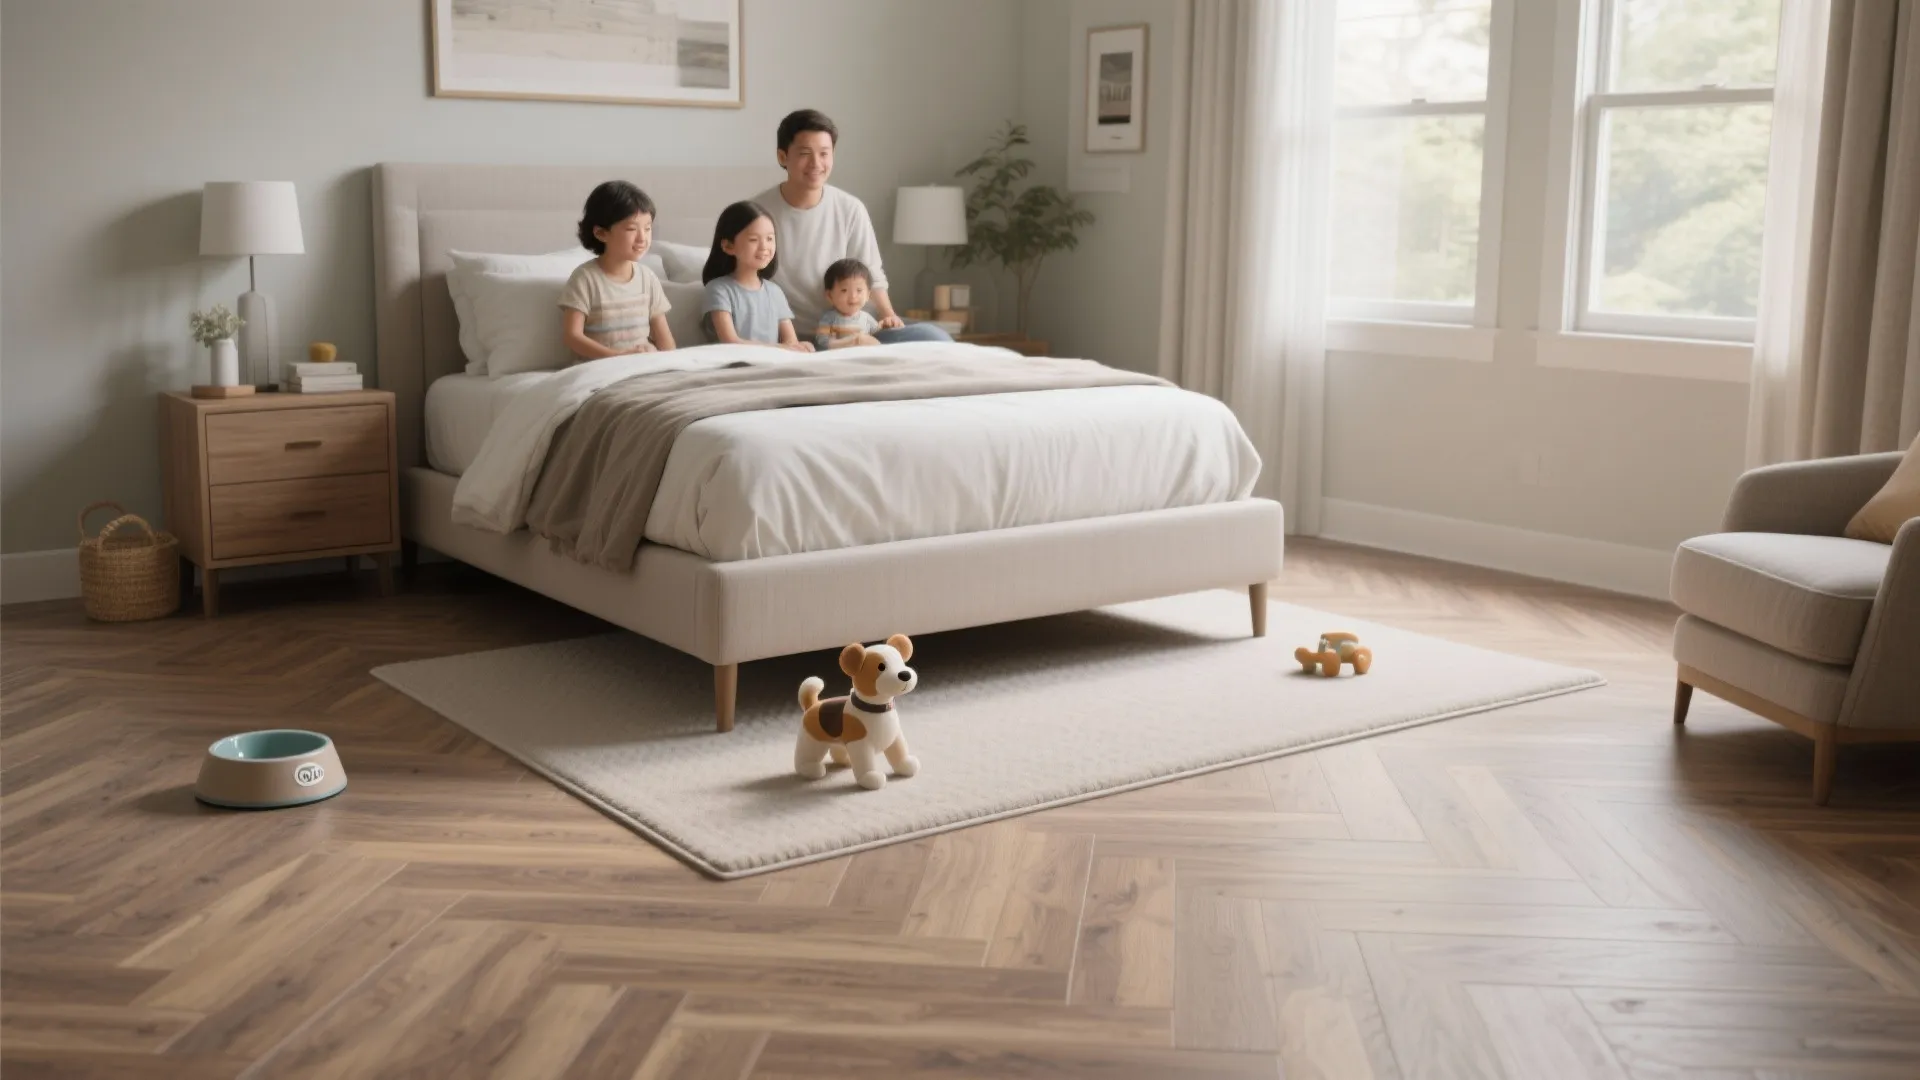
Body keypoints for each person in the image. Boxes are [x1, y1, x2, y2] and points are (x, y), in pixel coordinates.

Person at [754, 108, 952, 345]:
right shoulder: (757, 213)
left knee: (935, 337)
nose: (816, 163)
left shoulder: (850, 208)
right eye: (805, 153)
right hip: (798, 337)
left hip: (859, 328)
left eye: (824, 154)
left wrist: (889, 316)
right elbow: (742, 278)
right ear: (782, 157)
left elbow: (872, 273)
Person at [558, 180, 675, 361]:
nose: (642, 238)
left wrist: (672, 365)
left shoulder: (648, 278)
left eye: (648, 228)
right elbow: (572, 337)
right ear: (601, 233)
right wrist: (618, 357)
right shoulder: (585, 279)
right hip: (601, 370)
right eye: (631, 229)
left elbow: (664, 339)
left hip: (644, 367)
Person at [700, 201, 813, 352]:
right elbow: (730, 342)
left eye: (770, 238)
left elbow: (791, 341)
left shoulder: (775, 291)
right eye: (753, 239)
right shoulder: (718, 289)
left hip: (773, 366)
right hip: (734, 368)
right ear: (728, 246)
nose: (764, 247)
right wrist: (781, 348)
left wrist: (801, 347)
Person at [813, 258, 883, 350]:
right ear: (830, 296)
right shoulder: (829, 318)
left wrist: (884, 326)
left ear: (867, 295)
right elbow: (822, 342)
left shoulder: (867, 318)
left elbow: (880, 335)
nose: (853, 296)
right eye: (844, 290)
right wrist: (851, 342)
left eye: (859, 290)